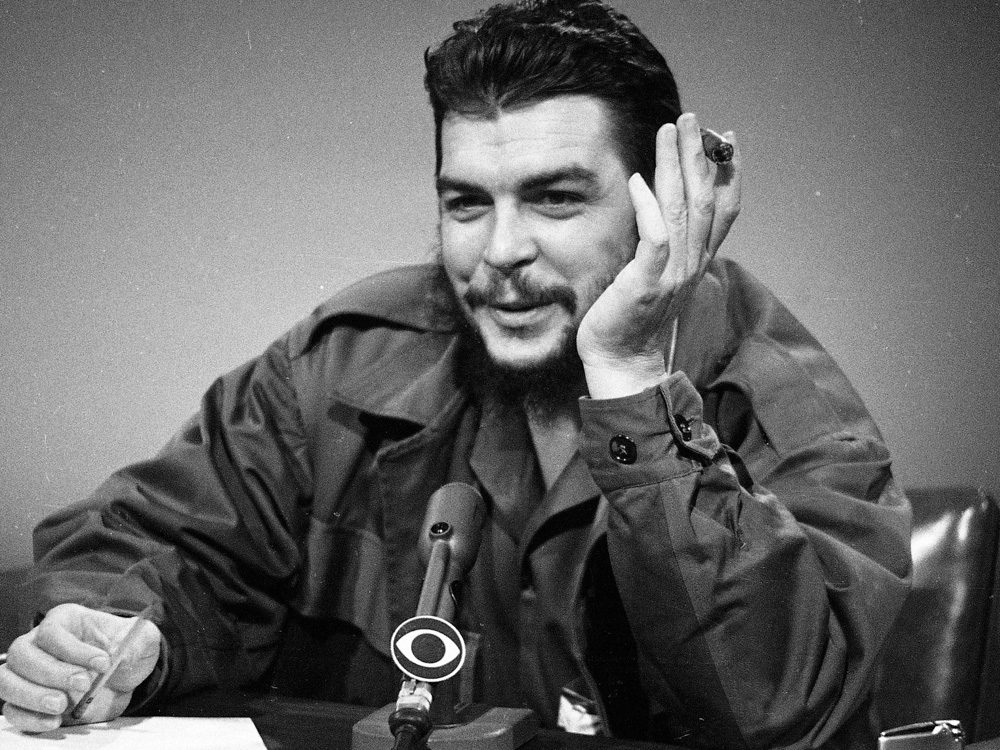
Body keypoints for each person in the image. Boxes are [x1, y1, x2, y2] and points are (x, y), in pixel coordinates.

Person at [0, 1, 912, 747]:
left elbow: (781, 713)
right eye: (467, 203)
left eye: (556, 198)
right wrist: (118, 637)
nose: (501, 251)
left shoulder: (784, 399)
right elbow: (154, 544)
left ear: (661, 205)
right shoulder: (343, 361)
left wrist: (629, 375)